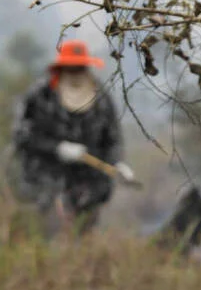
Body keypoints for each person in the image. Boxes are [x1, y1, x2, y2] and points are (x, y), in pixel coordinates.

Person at [8, 39, 135, 236]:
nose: (75, 74)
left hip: (87, 186)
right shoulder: (40, 95)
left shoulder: (100, 98)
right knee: (45, 235)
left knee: (82, 236)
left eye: (80, 68)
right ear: (61, 69)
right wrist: (56, 148)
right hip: (45, 185)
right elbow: (21, 135)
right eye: (71, 69)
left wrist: (117, 164)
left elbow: (112, 138)